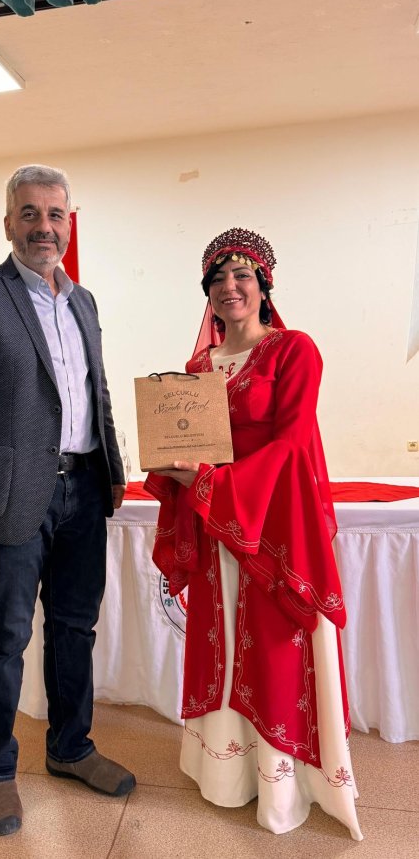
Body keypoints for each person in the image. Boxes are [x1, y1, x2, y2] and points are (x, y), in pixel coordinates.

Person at [0, 164, 134, 837]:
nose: (43, 226)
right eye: (29, 213)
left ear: (69, 223)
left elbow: (96, 392)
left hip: (84, 490)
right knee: (3, 637)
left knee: (75, 627)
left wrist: (113, 469)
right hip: (11, 497)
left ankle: (71, 747)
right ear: (8, 223)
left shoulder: (84, 302)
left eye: (55, 214)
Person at [145, 228, 363, 840]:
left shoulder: (294, 350)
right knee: (220, 641)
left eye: (242, 275)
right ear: (207, 293)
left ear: (264, 285)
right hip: (217, 526)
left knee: (273, 647)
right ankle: (226, 774)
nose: (230, 286)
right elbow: (187, 443)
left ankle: (282, 784)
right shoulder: (197, 369)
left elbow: (293, 444)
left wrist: (209, 479)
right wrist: (174, 468)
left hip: (272, 527)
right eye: (218, 278)